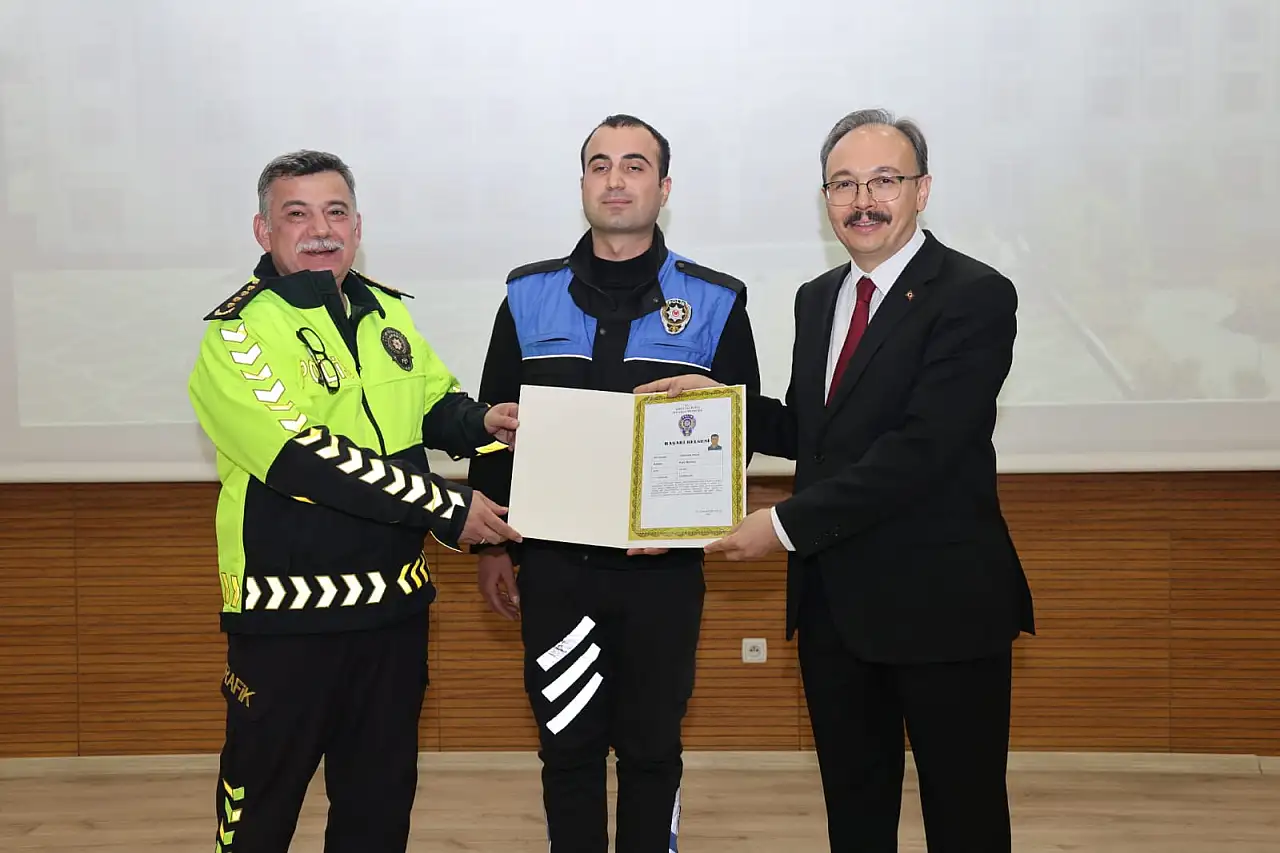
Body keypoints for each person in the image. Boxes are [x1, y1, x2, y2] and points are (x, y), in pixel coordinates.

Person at [638, 109, 1036, 852]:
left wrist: (780, 526)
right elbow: (814, 433)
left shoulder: (974, 293)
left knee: (965, 815)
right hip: (835, 608)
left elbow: (924, 449)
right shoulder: (818, 297)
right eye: (844, 184)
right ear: (825, 197)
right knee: (854, 814)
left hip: (943, 606)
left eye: (884, 181)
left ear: (922, 190)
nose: (863, 201)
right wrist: (721, 403)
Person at [188, 149, 521, 853]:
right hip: (287, 621)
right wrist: (444, 507)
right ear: (263, 230)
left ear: (358, 226)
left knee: (378, 813)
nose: (320, 230)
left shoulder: (384, 311)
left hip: (394, 614)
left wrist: (484, 421)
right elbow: (308, 458)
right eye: (297, 214)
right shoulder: (239, 334)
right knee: (258, 819)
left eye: (335, 212)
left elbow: (432, 403)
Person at [468, 114, 762, 853]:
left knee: (652, 749)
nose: (616, 179)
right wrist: (492, 548)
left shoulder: (717, 300)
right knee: (566, 748)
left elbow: (741, 435)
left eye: (635, 165)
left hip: (663, 575)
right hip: (556, 572)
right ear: (582, 185)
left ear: (664, 187)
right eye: (600, 165)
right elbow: (496, 425)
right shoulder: (527, 296)